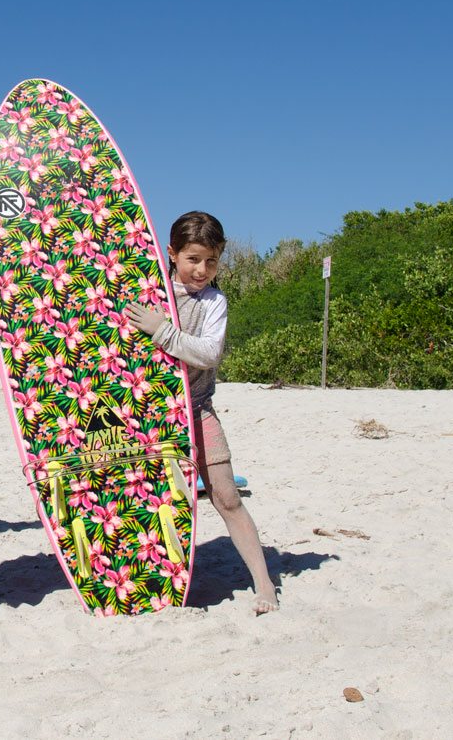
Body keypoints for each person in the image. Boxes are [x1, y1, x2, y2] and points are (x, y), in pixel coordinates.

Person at [131, 211, 280, 615]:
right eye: (193, 259)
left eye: (211, 261)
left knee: (227, 496)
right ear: (172, 254)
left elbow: (210, 353)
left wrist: (162, 331)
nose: (202, 270)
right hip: (148, 415)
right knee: (149, 500)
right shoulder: (149, 292)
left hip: (198, 409)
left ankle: (265, 585)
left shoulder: (214, 302)